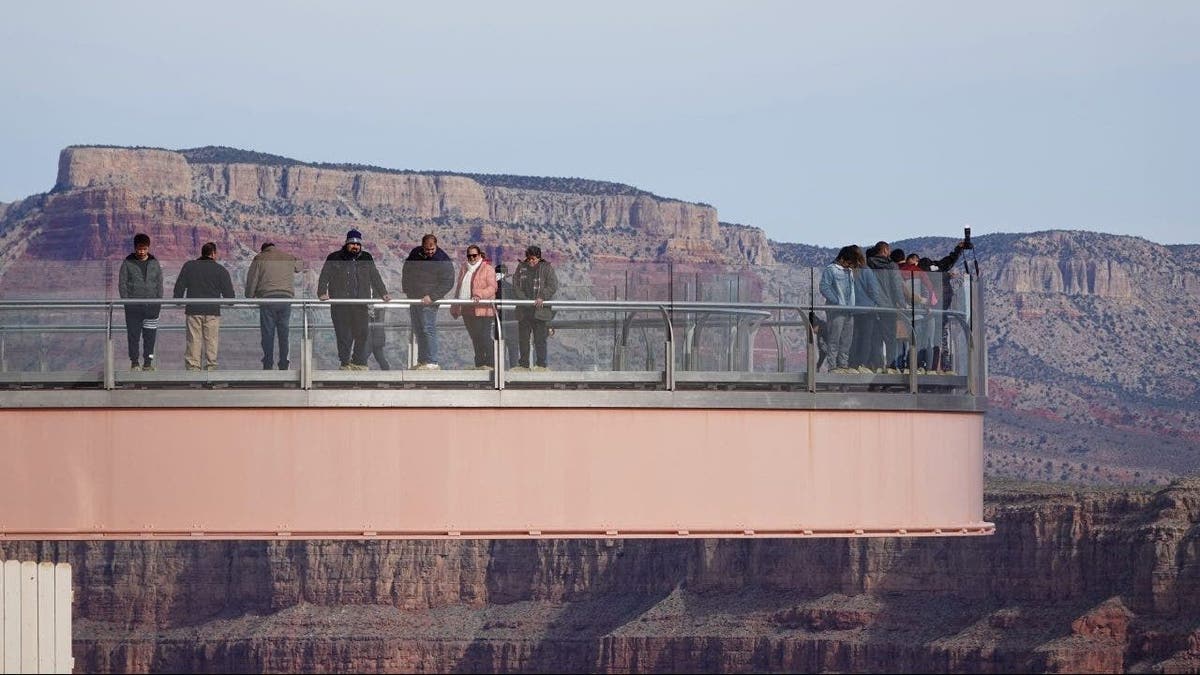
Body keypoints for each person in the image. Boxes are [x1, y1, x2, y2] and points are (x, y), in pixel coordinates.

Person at [317, 229, 391, 371]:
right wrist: (321, 292)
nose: (355, 247)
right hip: (341, 304)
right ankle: (345, 363)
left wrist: (383, 293)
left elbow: (375, 277)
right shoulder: (335, 257)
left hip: (360, 303)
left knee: (362, 333)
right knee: (344, 334)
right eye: (352, 244)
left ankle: (357, 361)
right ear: (346, 243)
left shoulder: (366, 258)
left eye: (357, 244)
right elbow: (324, 276)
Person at [173, 242, 236, 371]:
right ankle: (211, 368)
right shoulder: (221, 270)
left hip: (194, 309)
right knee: (211, 341)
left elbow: (179, 286)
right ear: (213, 254)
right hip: (212, 311)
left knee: (193, 340)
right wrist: (230, 302)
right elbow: (229, 295)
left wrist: (178, 300)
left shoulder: (189, 266)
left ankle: (193, 369)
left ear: (202, 253)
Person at [400, 234, 454, 369]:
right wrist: (407, 289)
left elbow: (448, 282)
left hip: (430, 300)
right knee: (418, 328)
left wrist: (432, 296)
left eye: (432, 249)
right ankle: (422, 360)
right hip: (414, 298)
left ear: (436, 245)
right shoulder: (415, 253)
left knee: (427, 328)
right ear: (422, 246)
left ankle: (432, 361)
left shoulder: (442, 259)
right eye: (427, 249)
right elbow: (407, 269)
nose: (429, 252)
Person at [244, 242, 301, 370]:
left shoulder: (260, 258)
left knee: (268, 333)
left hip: (268, 299)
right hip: (285, 299)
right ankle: (284, 363)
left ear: (263, 249)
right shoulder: (287, 257)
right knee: (284, 332)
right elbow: (299, 267)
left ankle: (268, 363)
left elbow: (252, 280)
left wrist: (249, 295)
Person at [117, 233, 163, 371]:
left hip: (152, 308)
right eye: (139, 249)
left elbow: (159, 284)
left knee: (150, 338)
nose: (141, 252)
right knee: (133, 336)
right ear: (135, 248)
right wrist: (127, 302)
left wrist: (158, 303)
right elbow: (122, 284)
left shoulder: (155, 263)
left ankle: (148, 363)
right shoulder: (127, 263)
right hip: (133, 309)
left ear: (148, 248)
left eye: (144, 249)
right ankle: (135, 362)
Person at [449, 245, 498, 369]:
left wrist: (479, 295)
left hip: (483, 310)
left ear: (480, 255)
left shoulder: (488, 269)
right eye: (469, 255)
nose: (472, 258)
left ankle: (491, 363)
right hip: (467, 310)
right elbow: (459, 288)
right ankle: (480, 364)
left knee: (485, 337)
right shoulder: (464, 268)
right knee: (475, 338)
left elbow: (493, 287)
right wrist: (455, 306)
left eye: (474, 255)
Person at [511, 245, 558, 371]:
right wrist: (524, 300)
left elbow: (552, 285)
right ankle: (524, 364)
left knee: (540, 339)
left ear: (539, 258)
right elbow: (516, 285)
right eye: (529, 259)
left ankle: (541, 365)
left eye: (533, 259)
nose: (531, 262)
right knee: (523, 338)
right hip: (524, 310)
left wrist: (542, 296)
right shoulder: (521, 268)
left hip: (540, 311)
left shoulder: (546, 268)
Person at [818, 246, 858, 372]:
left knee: (847, 341)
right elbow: (824, 287)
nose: (849, 265)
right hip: (836, 311)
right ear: (842, 259)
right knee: (834, 339)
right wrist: (837, 301)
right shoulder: (831, 270)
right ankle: (832, 367)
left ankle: (843, 366)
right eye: (848, 262)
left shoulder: (849, 271)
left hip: (849, 310)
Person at [494, 264, 520, 367]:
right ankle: (514, 372)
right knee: (513, 349)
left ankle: (501, 372)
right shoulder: (512, 288)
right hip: (512, 323)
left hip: (499, 322)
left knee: (500, 350)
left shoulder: (494, 288)